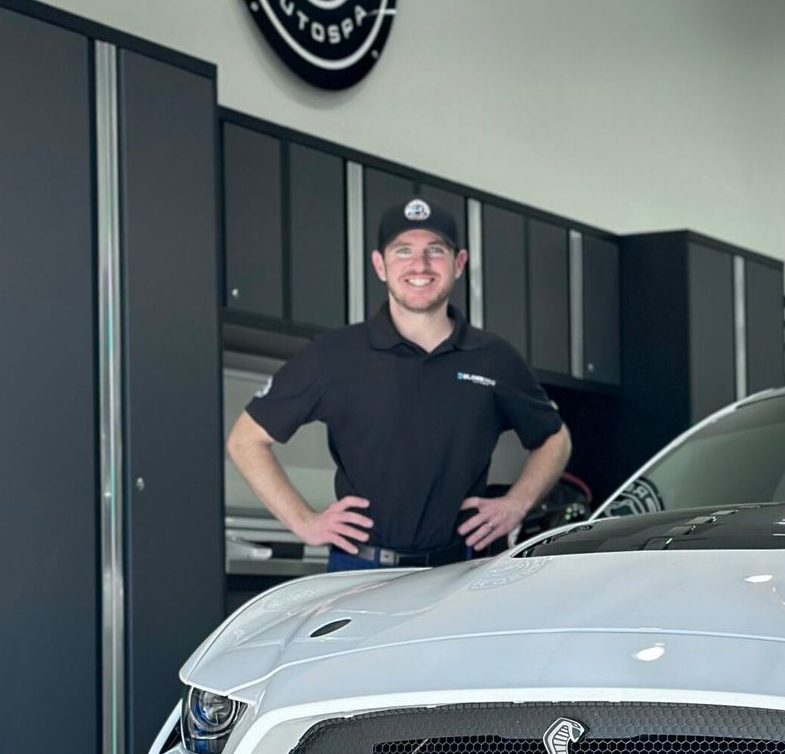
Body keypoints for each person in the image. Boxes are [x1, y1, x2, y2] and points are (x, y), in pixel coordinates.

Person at [227, 197, 571, 571]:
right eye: (403, 250)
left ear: (458, 264)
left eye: (434, 250)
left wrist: (518, 503)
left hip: (459, 572)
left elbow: (555, 438)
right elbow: (246, 440)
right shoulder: (333, 354)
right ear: (380, 265)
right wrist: (304, 521)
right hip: (360, 571)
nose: (419, 265)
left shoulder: (494, 358)